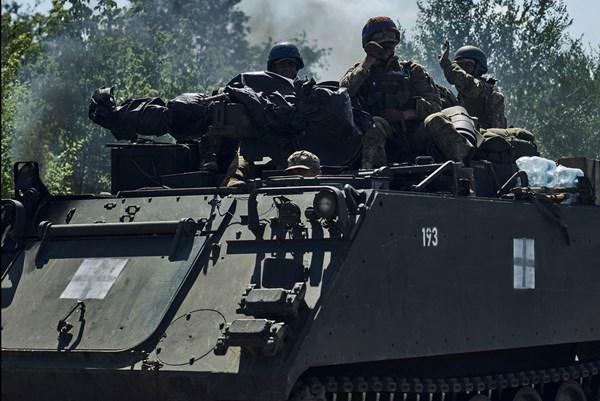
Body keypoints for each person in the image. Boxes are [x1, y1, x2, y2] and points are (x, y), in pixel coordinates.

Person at [223, 42, 305, 188]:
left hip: (291, 140)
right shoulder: (257, 87)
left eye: (291, 65)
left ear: (296, 68)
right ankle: (234, 177)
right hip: (260, 136)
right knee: (245, 150)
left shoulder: (303, 91)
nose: (287, 68)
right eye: (282, 65)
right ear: (273, 67)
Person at [439, 41, 507, 129]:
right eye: (460, 65)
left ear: (479, 68)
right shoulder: (462, 96)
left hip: (485, 135)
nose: (462, 69)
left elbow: (466, 83)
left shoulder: (483, 88)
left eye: (468, 65)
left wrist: (447, 64)